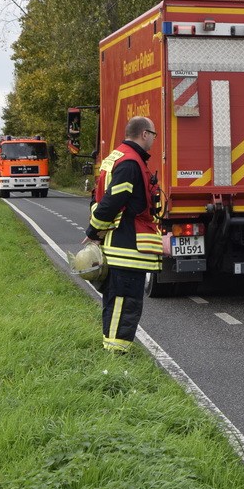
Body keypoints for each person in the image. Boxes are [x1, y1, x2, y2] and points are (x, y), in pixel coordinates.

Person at [85, 116, 163, 352]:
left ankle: (113, 349)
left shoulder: (114, 157)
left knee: (116, 302)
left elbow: (96, 198)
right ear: (144, 134)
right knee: (124, 304)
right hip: (127, 249)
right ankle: (116, 356)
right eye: (154, 135)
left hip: (117, 243)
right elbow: (112, 201)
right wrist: (93, 231)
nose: (153, 140)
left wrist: (97, 230)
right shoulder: (130, 163)